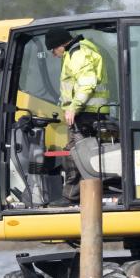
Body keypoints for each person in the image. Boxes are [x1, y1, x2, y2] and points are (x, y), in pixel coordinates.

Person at [46, 27, 111, 202]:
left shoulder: (78, 53)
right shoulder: (77, 51)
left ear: (60, 44)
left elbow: (87, 83)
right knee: (78, 153)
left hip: (86, 113)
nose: (53, 54)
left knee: (74, 153)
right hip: (88, 112)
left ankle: (72, 196)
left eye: (53, 49)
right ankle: (79, 195)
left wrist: (74, 107)